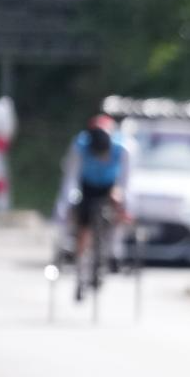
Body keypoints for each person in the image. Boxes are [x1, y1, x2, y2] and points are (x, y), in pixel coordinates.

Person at [59, 114, 130, 300]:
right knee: (80, 220)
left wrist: (124, 204)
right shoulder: (80, 146)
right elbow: (70, 179)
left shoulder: (123, 148)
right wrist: (65, 206)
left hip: (109, 185)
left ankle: (115, 250)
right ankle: (79, 264)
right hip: (87, 185)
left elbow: (126, 180)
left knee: (119, 206)